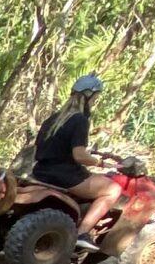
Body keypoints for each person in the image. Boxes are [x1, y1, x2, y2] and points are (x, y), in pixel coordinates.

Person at [31, 72, 121, 239]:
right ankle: (82, 233)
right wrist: (101, 163)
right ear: (89, 96)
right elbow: (79, 155)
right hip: (64, 175)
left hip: (41, 170)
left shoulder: (53, 119)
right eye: (95, 97)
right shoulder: (80, 120)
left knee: (92, 178)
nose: (95, 101)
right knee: (113, 189)